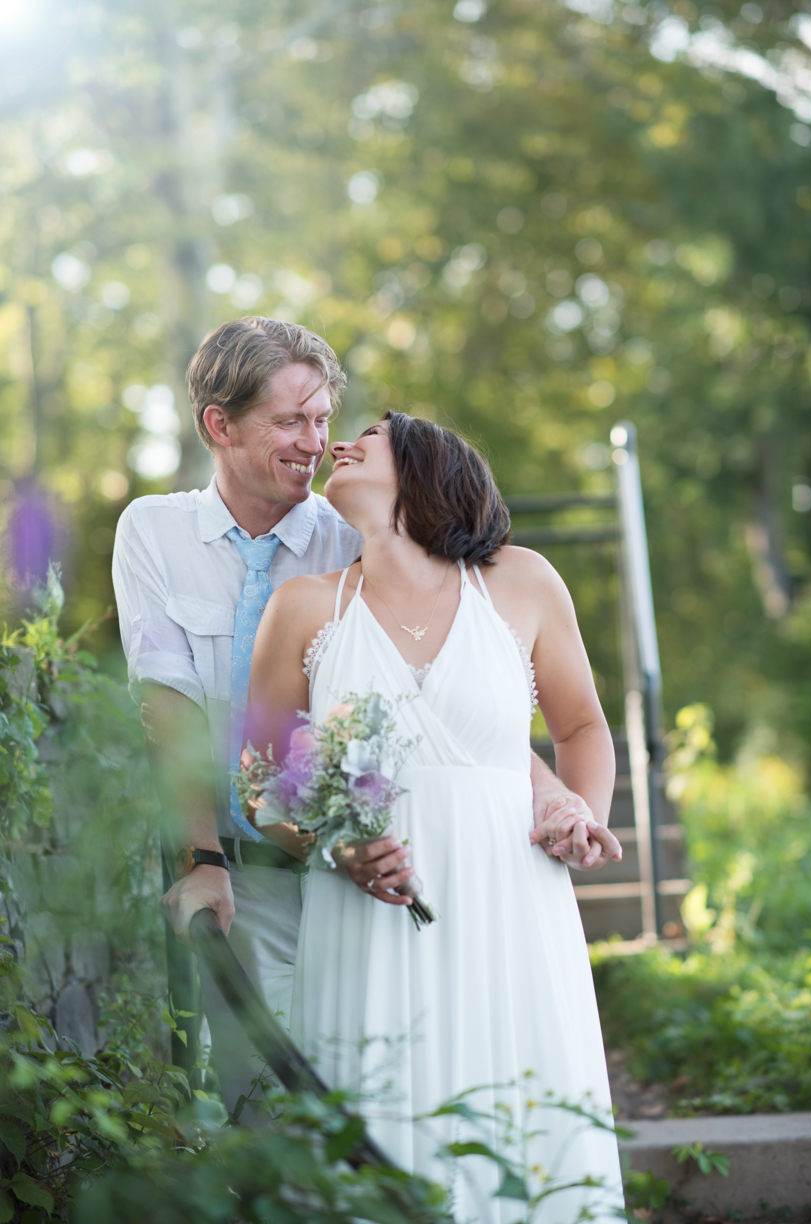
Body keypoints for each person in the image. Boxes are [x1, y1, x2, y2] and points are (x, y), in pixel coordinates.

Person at [112, 317, 606, 1117]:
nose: (316, 443)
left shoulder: (363, 531)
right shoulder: (155, 532)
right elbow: (167, 707)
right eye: (288, 421)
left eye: (323, 420)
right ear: (220, 424)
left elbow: (456, 701)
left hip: (372, 866)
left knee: (395, 1089)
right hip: (244, 862)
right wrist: (198, 856)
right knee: (264, 1100)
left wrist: (552, 794)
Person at [245, 412, 624, 1220]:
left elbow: (583, 729)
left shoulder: (520, 582)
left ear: (428, 465)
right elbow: (259, 778)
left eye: (366, 436)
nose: (337, 444)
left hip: (513, 905)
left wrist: (576, 810)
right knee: (378, 1126)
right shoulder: (302, 607)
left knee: (523, 1122)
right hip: (364, 917)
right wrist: (332, 845)